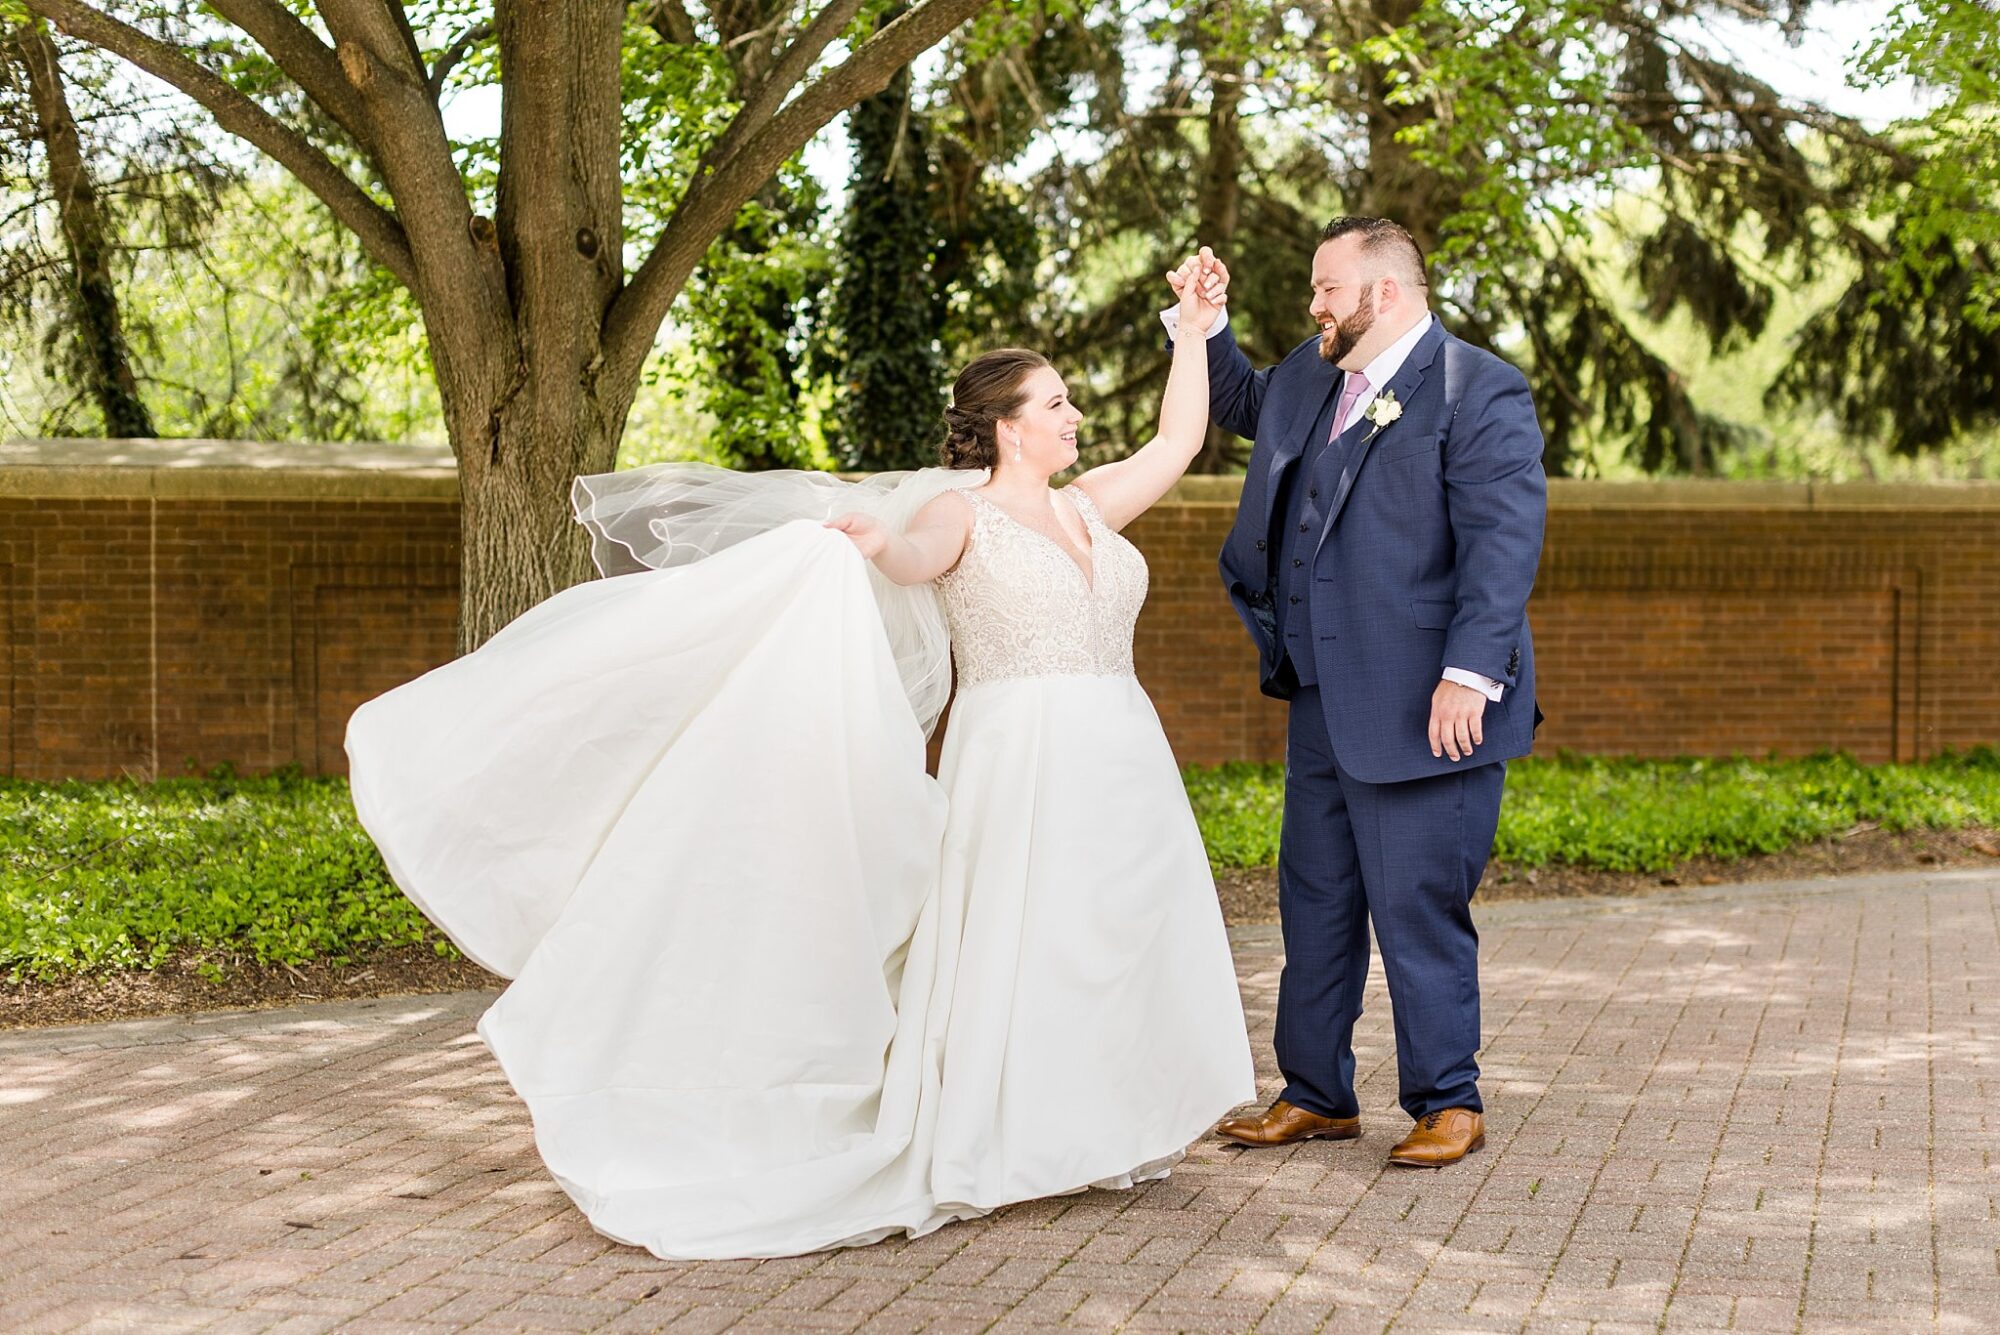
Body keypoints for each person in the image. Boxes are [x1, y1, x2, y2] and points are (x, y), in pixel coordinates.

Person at [344, 255, 1254, 1259]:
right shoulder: (960, 516)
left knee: (1114, 933)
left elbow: (1181, 437)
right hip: (1018, 760)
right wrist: (868, 540)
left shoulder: (1089, 507)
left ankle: (1106, 1123)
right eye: (1056, 402)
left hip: (1122, 751)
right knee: (1026, 934)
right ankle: (1013, 1136)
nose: (1074, 415)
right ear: (1006, 424)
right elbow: (912, 565)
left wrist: (1191, 327)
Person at [1175, 217, 1547, 1167]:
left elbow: (1503, 544)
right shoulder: (1312, 372)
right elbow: (1240, 398)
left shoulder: (1478, 389)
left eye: (1326, 289)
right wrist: (1207, 322)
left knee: (1419, 904)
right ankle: (1316, 1093)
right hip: (1320, 700)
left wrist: (1470, 675)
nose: (1314, 306)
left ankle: (1446, 1099)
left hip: (1432, 704)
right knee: (1316, 900)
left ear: (1384, 293)